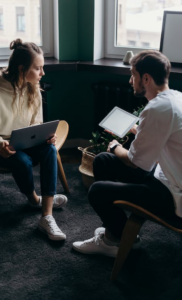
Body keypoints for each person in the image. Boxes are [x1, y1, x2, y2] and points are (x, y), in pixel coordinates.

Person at [73, 50, 182, 257]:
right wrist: (138, 130)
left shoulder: (157, 109)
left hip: (173, 196)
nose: (131, 81)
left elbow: (134, 162)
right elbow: (164, 136)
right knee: (103, 161)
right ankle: (115, 233)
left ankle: (118, 239)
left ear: (146, 78)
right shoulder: (175, 98)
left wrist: (115, 146)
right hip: (166, 176)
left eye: (133, 75)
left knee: (97, 190)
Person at [0, 39, 67, 241]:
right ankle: (34, 199)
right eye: (38, 68)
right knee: (22, 160)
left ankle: (46, 216)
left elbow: (36, 125)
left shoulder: (33, 88)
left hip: (24, 144)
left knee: (50, 150)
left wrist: (46, 137)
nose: (42, 73)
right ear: (22, 69)